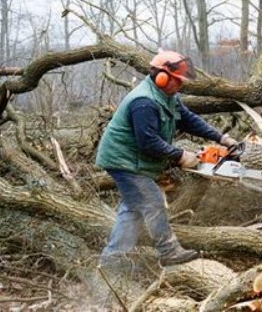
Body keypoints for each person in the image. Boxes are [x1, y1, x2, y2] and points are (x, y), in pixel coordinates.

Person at [95, 49, 237, 268]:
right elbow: (148, 142)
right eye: (177, 81)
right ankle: (168, 251)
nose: (180, 85)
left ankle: (112, 262)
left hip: (135, 159)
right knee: (152, 202)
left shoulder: (168, 96)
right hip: (124, 160)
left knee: (133, 209)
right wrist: (180, 156)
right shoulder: (144, 102)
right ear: (162, 77)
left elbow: (189, 120)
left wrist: (221, 137)